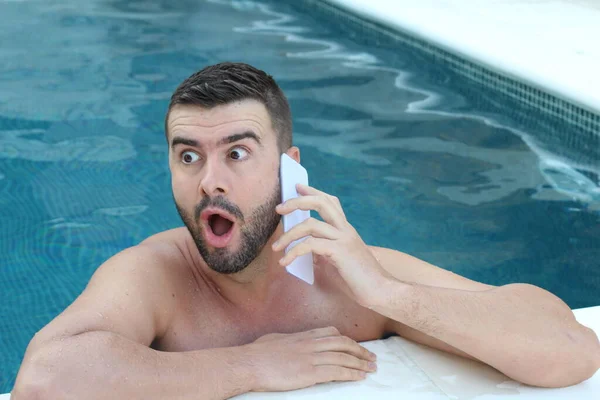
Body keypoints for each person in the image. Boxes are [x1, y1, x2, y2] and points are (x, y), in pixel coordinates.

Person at [12, 62, 599, 399]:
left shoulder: (347, 273)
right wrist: (250, 367)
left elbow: (570, 351)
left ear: (290, 166)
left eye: (237, 153)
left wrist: (390, 295)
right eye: (188, 157)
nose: (209, 182)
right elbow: (44, 379)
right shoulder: (155, 274)